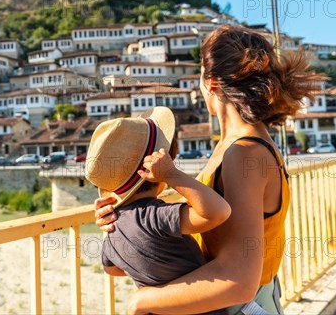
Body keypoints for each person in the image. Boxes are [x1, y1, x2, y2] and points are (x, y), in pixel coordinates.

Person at [95, 25, 318, 314]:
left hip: (236, 307)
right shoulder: (240, 145)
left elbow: (239, 281)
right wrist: (126, 217)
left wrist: (142, 301)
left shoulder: (243, 153)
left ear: (211, 82)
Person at [85, 108, 269, 314]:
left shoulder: (112, 232)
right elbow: (218, 212)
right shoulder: (155, 217)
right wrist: (172, 175)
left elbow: (112, 268)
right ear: (156, 175)